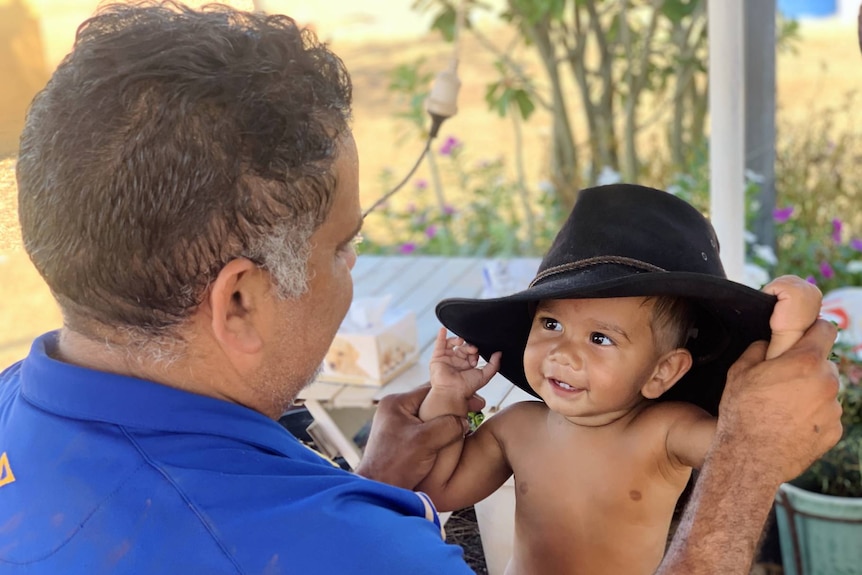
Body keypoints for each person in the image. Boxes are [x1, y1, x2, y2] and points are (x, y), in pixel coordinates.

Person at [0, 2, 842, 574]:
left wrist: (376, 478)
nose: (354, 266)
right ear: (241, 302)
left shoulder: (18, 411)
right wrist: (748, 466)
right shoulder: (361, 554)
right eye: (346, 244)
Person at [417, 184, 822, 574]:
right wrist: (447, 397)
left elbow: (761, 445)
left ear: (662, 372)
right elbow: (439, 489)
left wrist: (787, 335)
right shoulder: (515, 427)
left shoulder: (665, 431)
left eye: (599, 338)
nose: (563, 352)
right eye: (551, 323)